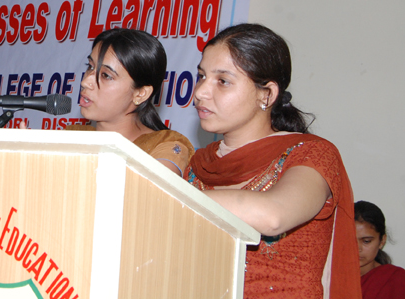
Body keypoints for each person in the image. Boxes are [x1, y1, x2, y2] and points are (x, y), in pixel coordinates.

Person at [183, 23, 361, 298]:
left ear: (266, 94)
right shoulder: (199, 165)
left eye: (223, 81)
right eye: (201, 76)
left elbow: (273, 216)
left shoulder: (311, 154)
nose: (200, 92)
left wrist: (167, 196)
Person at [67, 27, 193, 175]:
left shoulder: (165, 145)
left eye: (106, 75)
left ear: (141, 94)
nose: (85, 82)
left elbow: (148, 189)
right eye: (90, 67)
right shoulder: (71, 137)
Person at [355, 200, 405, 299]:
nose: (358, 249)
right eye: (349, 241)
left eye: (366, 241)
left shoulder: (396, 280)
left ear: (382, 241)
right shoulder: (328, 278)